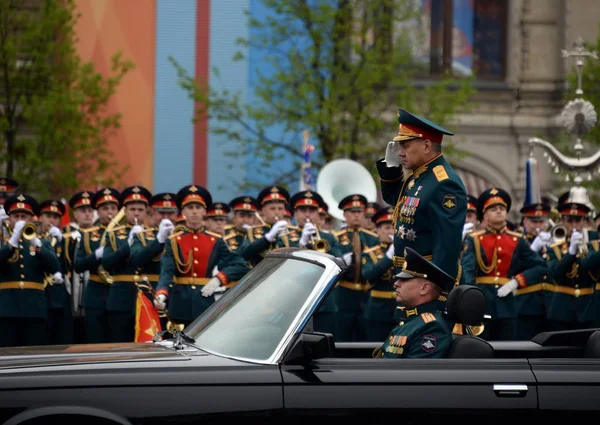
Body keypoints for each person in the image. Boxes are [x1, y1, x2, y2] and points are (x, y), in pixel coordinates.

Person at [376, 108, 467, 282]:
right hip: (409, 275)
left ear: (426, 146)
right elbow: (396, 201)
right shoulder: (419, 175)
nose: (400, 152)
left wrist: (436, 288)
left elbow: (446, 245)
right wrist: (391, 168)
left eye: (406, 146)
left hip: (425, 280)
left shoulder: (444, 183)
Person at [0, 193, 61, 347]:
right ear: (9, 219)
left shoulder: (43, 242)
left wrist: (36, 243)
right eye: (16, 216)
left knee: (34, 351)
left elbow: (54, 266)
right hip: (7, 307)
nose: (20, 220)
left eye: (25, 216)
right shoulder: (3, 242)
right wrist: (12, 241)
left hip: (34, 307)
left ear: (32, 219)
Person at [373, 247, 454, 359]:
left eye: (404, 280)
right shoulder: (412, 320)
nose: (396, 283)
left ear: (424, 288)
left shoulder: (431, 328)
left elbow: (414, 375)